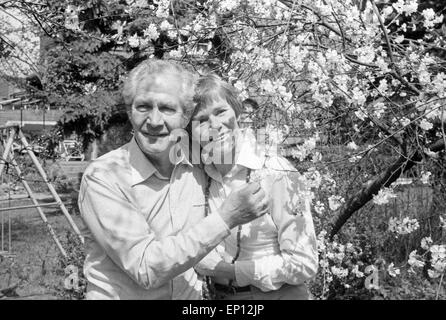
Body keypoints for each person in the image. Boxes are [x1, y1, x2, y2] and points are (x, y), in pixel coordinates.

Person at [78, 60, 270, 300]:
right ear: (129, 112)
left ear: (185, 116)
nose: (155, 121)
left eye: (167, 108)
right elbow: (146, 268)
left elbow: (236, 146)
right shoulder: (105, 176)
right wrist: (227, 218)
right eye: (143, 107)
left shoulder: (198, 166)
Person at [191, 74, 318, 300]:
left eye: (221, 112)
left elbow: (303, 263)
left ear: (238, 111)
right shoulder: (199, 175)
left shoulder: (276, 171)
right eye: (201, 120)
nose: (215, 125)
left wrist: (226, 270)